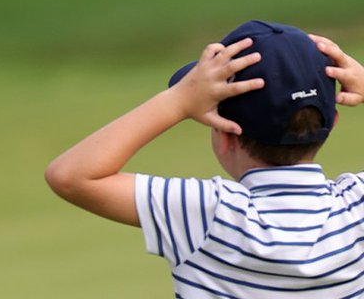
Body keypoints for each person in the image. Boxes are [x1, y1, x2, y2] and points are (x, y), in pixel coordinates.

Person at [45, 19, 364, 298]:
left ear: (224, 134)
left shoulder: (210, 215)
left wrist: (177, 102)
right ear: (332, 122)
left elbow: (71, 176)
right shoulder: (356, 209)